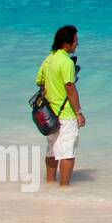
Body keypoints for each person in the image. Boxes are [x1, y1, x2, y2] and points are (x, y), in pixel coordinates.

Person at [36, 25, 85, 187]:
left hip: (49, 115)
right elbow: (70, 88)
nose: (77, 44)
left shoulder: (49, 59)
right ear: (66, 44)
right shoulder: (66, 62)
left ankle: (50, 184)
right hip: (65, 114)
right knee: (67, 152)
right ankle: (64, 188)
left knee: (51, 149)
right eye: (76, 41)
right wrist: (78, 112)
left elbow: (40, 82)